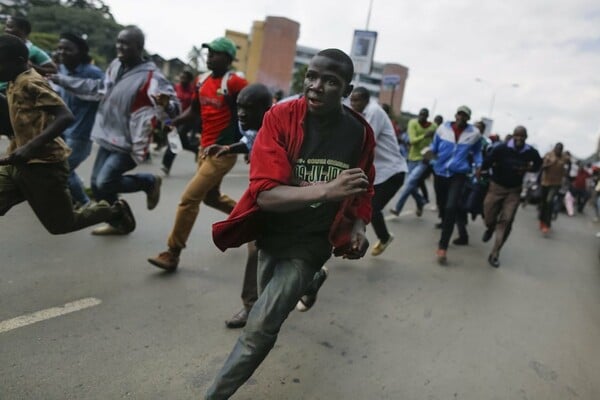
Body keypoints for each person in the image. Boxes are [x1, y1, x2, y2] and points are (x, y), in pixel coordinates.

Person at [206, 48, 375, 399]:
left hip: (312, 241)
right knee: (266, 294)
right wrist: (328, 188)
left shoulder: (358, 133)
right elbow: (266, 194)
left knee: (260, 326)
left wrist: (358, 230)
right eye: (311, 77)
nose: (316, 87)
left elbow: (361, 191)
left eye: (331, 82)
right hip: (272, 232)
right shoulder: (280, 117)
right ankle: (313, 281)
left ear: (346, 90)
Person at [0, 35, 135, 236]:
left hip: (44, 166)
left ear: (18, 61)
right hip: (17, 163)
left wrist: (30, 147)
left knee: (61, 224)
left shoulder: (31, 83)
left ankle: (113, 211)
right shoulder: (12, 81)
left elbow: (65, 116)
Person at [50, 26, 177, 235]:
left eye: (126, 43)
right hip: (108, 135)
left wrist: (166, 104)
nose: (120, 46)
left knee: (105, 181)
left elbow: (173, 106)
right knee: (97, 185)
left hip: (131, 140)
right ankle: (120, 222)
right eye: (118, 41)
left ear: (139, 47)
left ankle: (149, 181)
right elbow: (97, 89)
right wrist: (59, 78)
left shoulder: (152, 76)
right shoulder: (116, 65)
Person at [147, 37, 247, 270]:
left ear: (228, 58)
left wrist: (250, 144)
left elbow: (255, 108)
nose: (210, 56)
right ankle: (251, 219)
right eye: (209, 52)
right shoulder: (201, 81)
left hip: (223, 152)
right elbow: (194, 112)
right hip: (203, 149)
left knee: (189, 198)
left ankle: (172, 253)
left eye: (215, 53)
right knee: (211, 197)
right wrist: (173, 122)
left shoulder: (235, 83)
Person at [202, 83, 272, 329]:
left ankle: (310, 278)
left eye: (248, 108)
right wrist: (228, 147)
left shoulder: (281, 131)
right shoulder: (256, 128)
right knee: (257, 250)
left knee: (280, 253)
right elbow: (249, 140)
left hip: (287, 199)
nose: (241, 113)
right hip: (263, 197)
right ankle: (251, 307)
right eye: (239, 107)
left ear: (267, 109)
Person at [350, 86, 406, 255]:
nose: (353, 104)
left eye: (357, 100)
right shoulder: (360, 114)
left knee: (371, 208)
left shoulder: (374, 112)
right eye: (351, 100)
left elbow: (365, 142)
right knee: (356, 206)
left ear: (367, 100)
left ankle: (383, 237)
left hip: (391, 172)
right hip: (379, 173)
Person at [54, 32, 104, 208]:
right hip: (63, 129)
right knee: (62, 168)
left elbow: (100, 95)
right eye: (60, 48)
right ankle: (77, 197)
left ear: (81, 52)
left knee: (63, 170)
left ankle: (85, 203)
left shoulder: (93, 73)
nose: (62, 52)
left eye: (68, 49)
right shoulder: (62, 70)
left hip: (82, 133)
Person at [481, 126, 542, 267]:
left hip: (514, 191)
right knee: (488, 215)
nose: (519, 138)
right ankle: (490, 228)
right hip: (496, 187)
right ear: (513, 136)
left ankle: (495, 253)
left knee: (507, 220)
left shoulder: (530, 152)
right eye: (517, 135)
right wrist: (483, 170)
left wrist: (527, 168)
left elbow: (538, 165)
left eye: (522, 136)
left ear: (526, 138)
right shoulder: (501, 148)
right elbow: (487, 162)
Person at [431, 106, 482, 265]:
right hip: (440, 172)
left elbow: (478, 152)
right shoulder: (442, 128)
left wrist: (479, 165)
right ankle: (444, 218)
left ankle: (442, 247)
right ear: (455, 115)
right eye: (459, 114)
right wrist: (429, 155)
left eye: (465, 115)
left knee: (451, 207)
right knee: (442, 204)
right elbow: (434, 147)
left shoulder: (474, 133)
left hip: (458, 174)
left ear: (468, 118)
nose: (461, 117)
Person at [390, 108, 437, 217]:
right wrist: (425, 135)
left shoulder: (434, 127)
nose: (422, 117)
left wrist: (431, 154)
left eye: (424, 115)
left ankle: (397, 208)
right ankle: (421, 202)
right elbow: (412, 140)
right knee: (411, 186)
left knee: (409, 183)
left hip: (424, 160)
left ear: (427, 116)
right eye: (420, 114)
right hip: (411, 158)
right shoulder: (413, 123)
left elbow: (436, 143)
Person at [1, 16, 57, 93]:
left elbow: (53, 70)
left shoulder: (35, 51)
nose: (6, 29)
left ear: (23, 29)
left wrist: (32, 66)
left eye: (10, 26)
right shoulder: (3, 47)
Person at [160, 69, 199, 176]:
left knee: (175, 138)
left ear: (189, 80)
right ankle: (196, 149)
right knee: (183, 142)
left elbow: (194, 106)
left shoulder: (193, 91)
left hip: (188, 119)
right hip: (175, 118)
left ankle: (166, 165)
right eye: (181, 77)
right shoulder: (175, 88)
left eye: (185, 78)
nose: (182, 80)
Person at [539, 142, 569, 234]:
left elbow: (568, 168)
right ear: (554, 148)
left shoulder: (564, 158)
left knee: (549, 201)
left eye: (560, 149)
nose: (558, 151)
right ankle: (542, 219)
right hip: (545, 182)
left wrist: (565, 173)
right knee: (544, 202)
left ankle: (547, 223)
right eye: (557, 149)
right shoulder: (548, 155)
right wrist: (551, 163)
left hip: (556, 184)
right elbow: (542, 167)